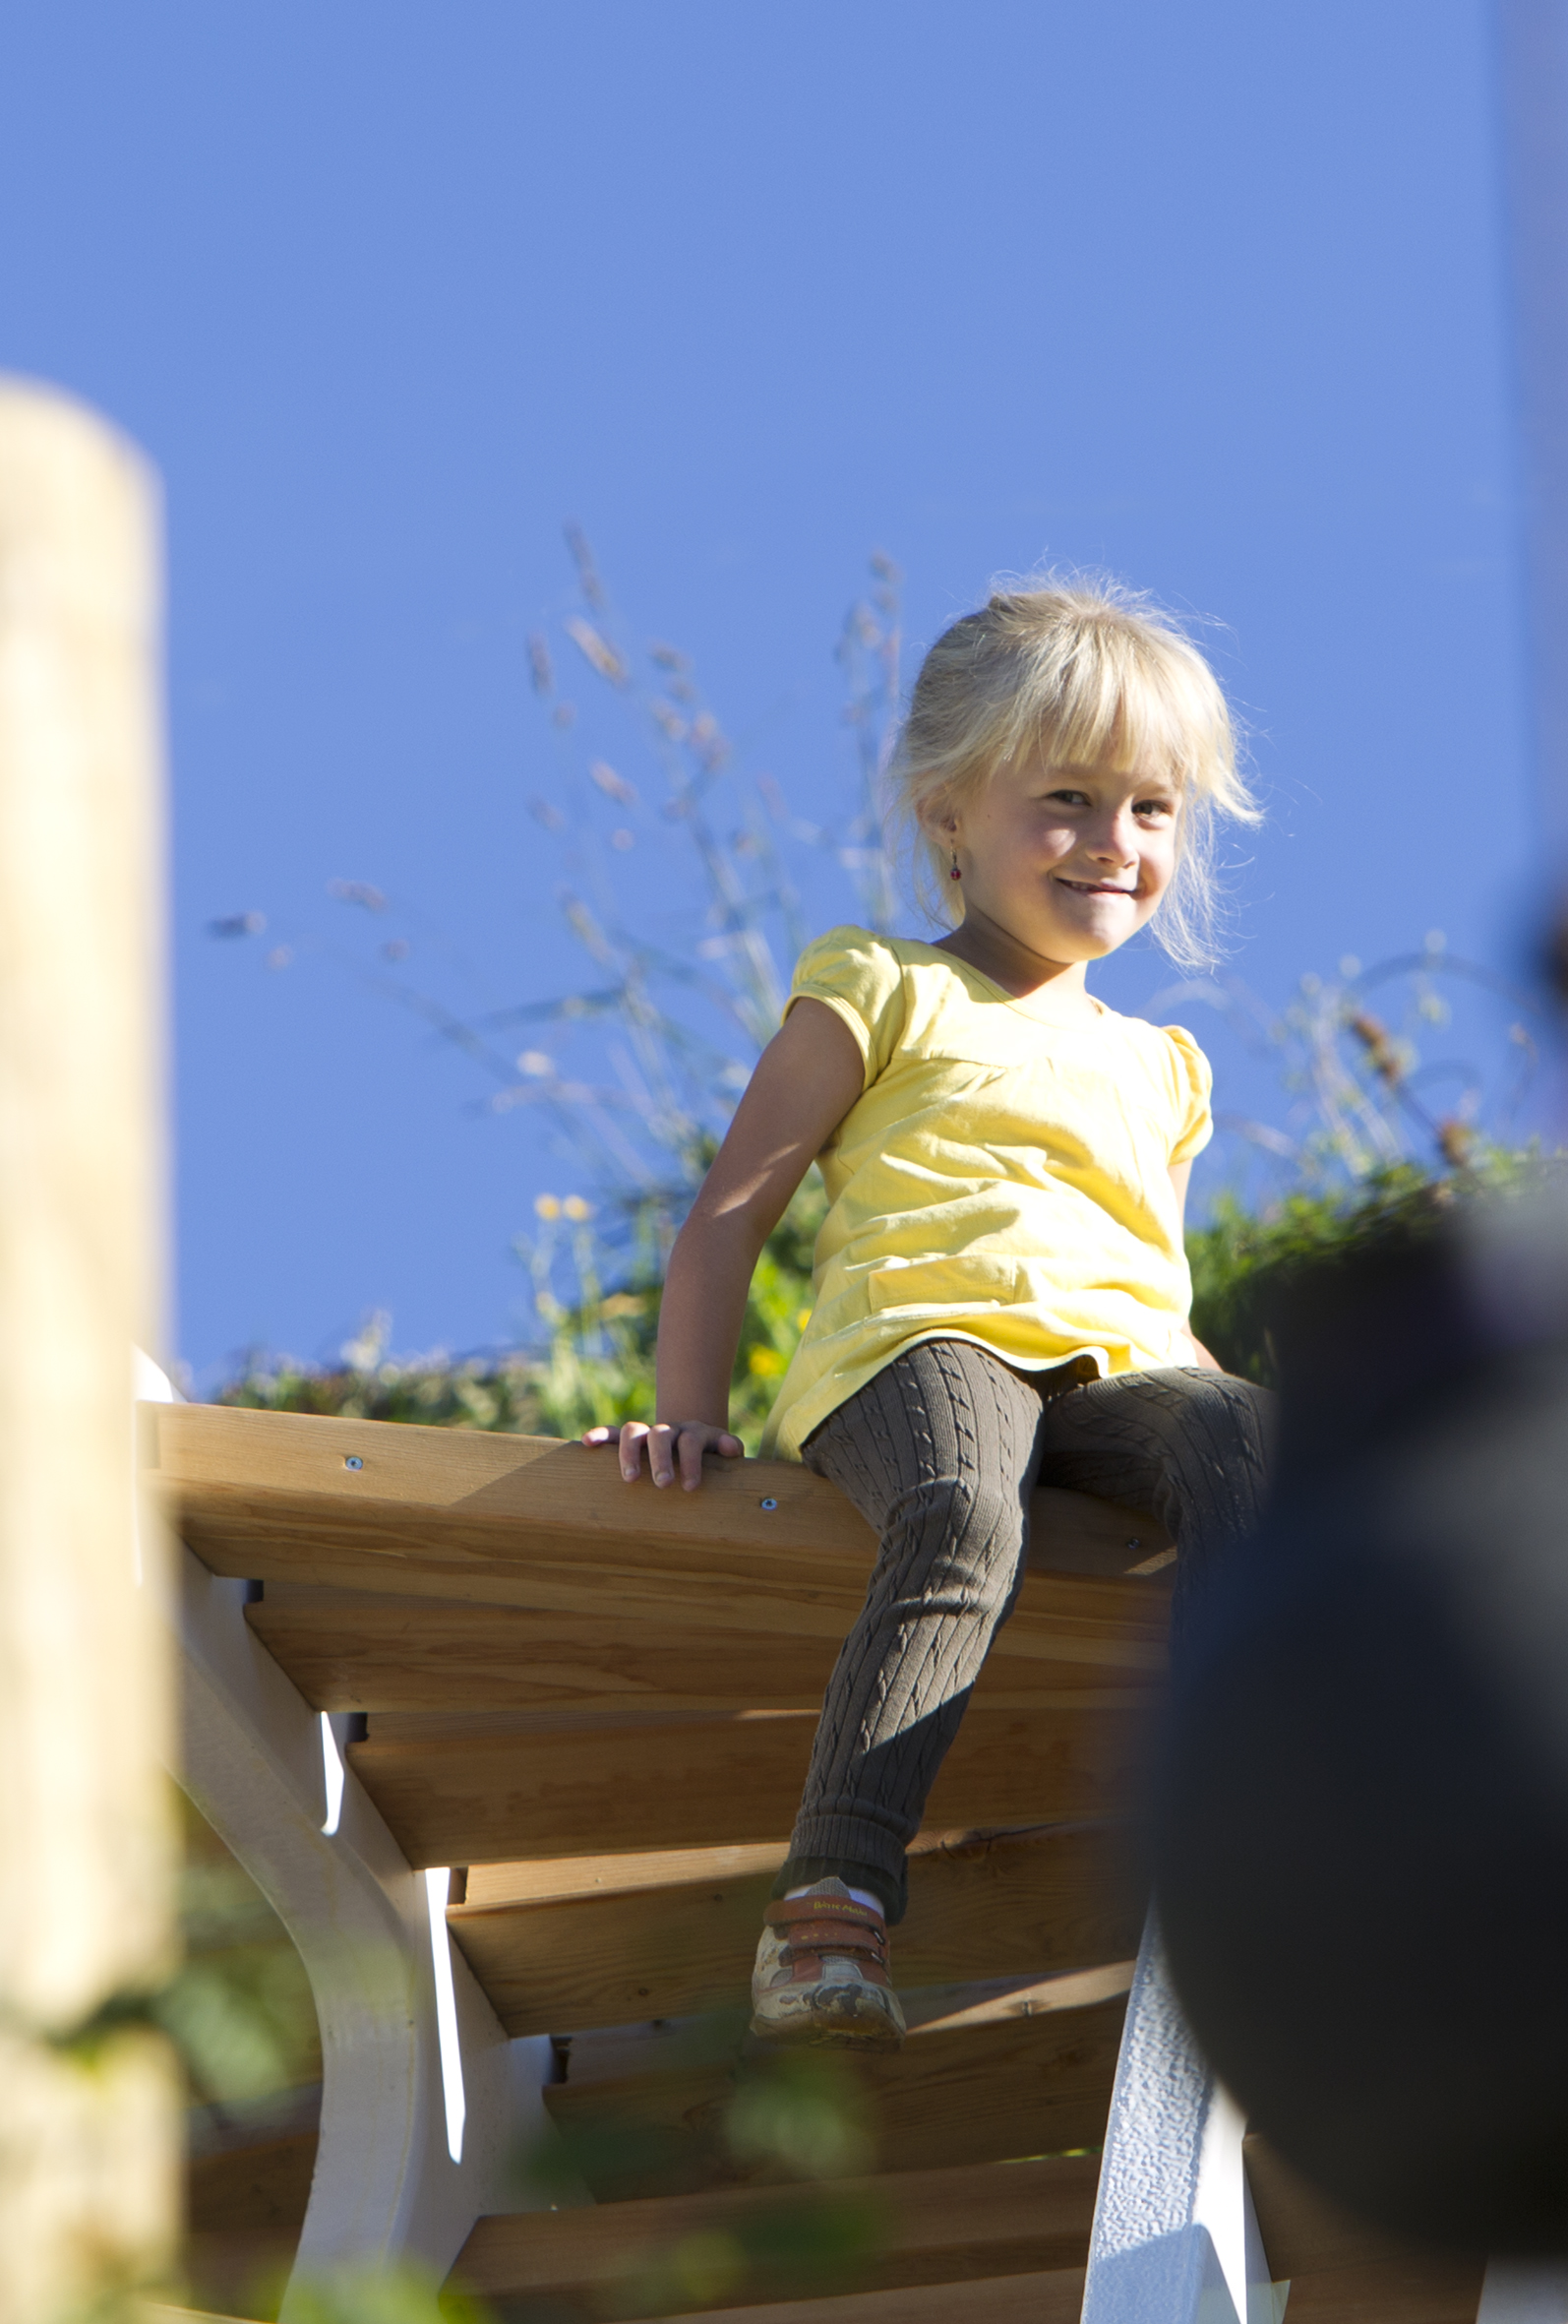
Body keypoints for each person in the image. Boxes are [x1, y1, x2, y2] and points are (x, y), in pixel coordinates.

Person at [584, 579, 1276, 2050]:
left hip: (1116, 1364)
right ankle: (831, 1894)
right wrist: (685, 1416)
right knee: (967, 1505)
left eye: (1152, 811)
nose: (1115, 844)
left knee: (1249, 1451)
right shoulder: (884, 986)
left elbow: (1154, 1285)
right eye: (1070, 800)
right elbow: (731, 1212)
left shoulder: (1160, 1065)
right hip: (919, 1340)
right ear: (947, 812)